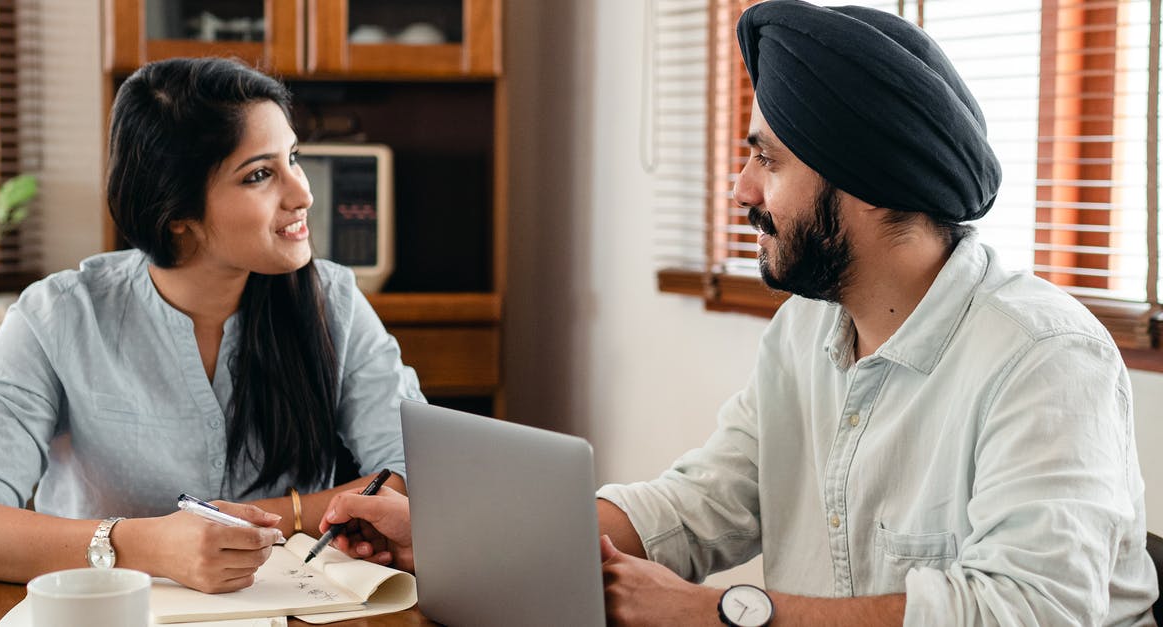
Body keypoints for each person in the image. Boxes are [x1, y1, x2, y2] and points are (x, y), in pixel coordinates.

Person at [321, 1, 1158, 625]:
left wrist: (714, 611)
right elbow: (701, 502)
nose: (741, 189)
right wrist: (463, 534)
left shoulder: (1044, 356)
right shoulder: (806, 328)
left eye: (768, 159)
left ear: (860, 184)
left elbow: (1031, 609)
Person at [0, 57, 423, 594]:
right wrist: (146, 544)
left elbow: (412, 475)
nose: (302, 194)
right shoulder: (57, 317)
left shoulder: (335, 301)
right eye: (259, 174)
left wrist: (247, 522)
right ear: (176, 210)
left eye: (292, 158)